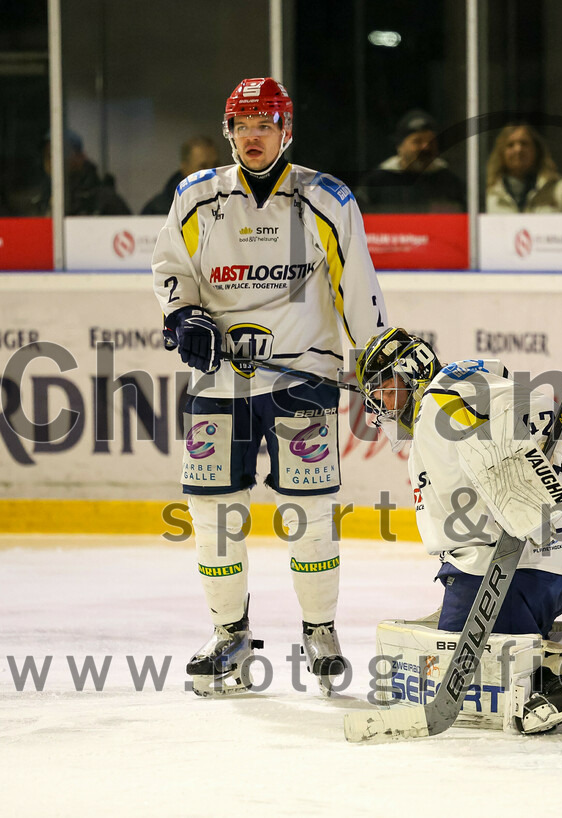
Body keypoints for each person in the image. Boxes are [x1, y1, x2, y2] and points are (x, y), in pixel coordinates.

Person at [152, 77, 387, 698]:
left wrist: (377, 356)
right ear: (229, 132)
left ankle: (321, 631)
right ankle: (228, 632)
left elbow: (356, 286)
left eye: (266, 125)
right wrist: (182, 315)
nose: (253, 138)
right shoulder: (197, 197)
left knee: (309, 513)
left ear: (287, 131)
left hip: (302, 380)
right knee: (214, 512)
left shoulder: (326, 199)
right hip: (218, 384)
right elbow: (172, 269)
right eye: (243, 126)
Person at [354, 328, 562, 733]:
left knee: (459, 665)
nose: (380, 404)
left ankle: (558, 684)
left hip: (515, 563)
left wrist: (525, 509)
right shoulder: (465, 387)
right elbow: (534, 409)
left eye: (384, 389)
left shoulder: (439, 403)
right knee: (489, 646)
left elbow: (502, 439)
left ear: (411, 369)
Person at [355, 109, 466, 213]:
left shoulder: (450, 182)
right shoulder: (376, 183)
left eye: (431, 141)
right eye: (417, 141)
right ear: (400, 146)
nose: (425, 147)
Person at [31, 129, 131, 216]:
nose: (52, 159)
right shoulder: (38, 199)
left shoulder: (105, 201)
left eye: (61, 152)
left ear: (81, 156)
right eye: (48, 154)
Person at [485, 123, 562, 213]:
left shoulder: (560, 190)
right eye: (510, 145)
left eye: (524, 143)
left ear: (537, 150)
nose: (518, 149)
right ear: (501, 154)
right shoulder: (488, 194)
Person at [142, 136, 220, 215]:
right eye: (203, 166)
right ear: (185, 167)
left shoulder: (229, 202)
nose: (212, 172)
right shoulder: (158, 210)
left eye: (216, 164)